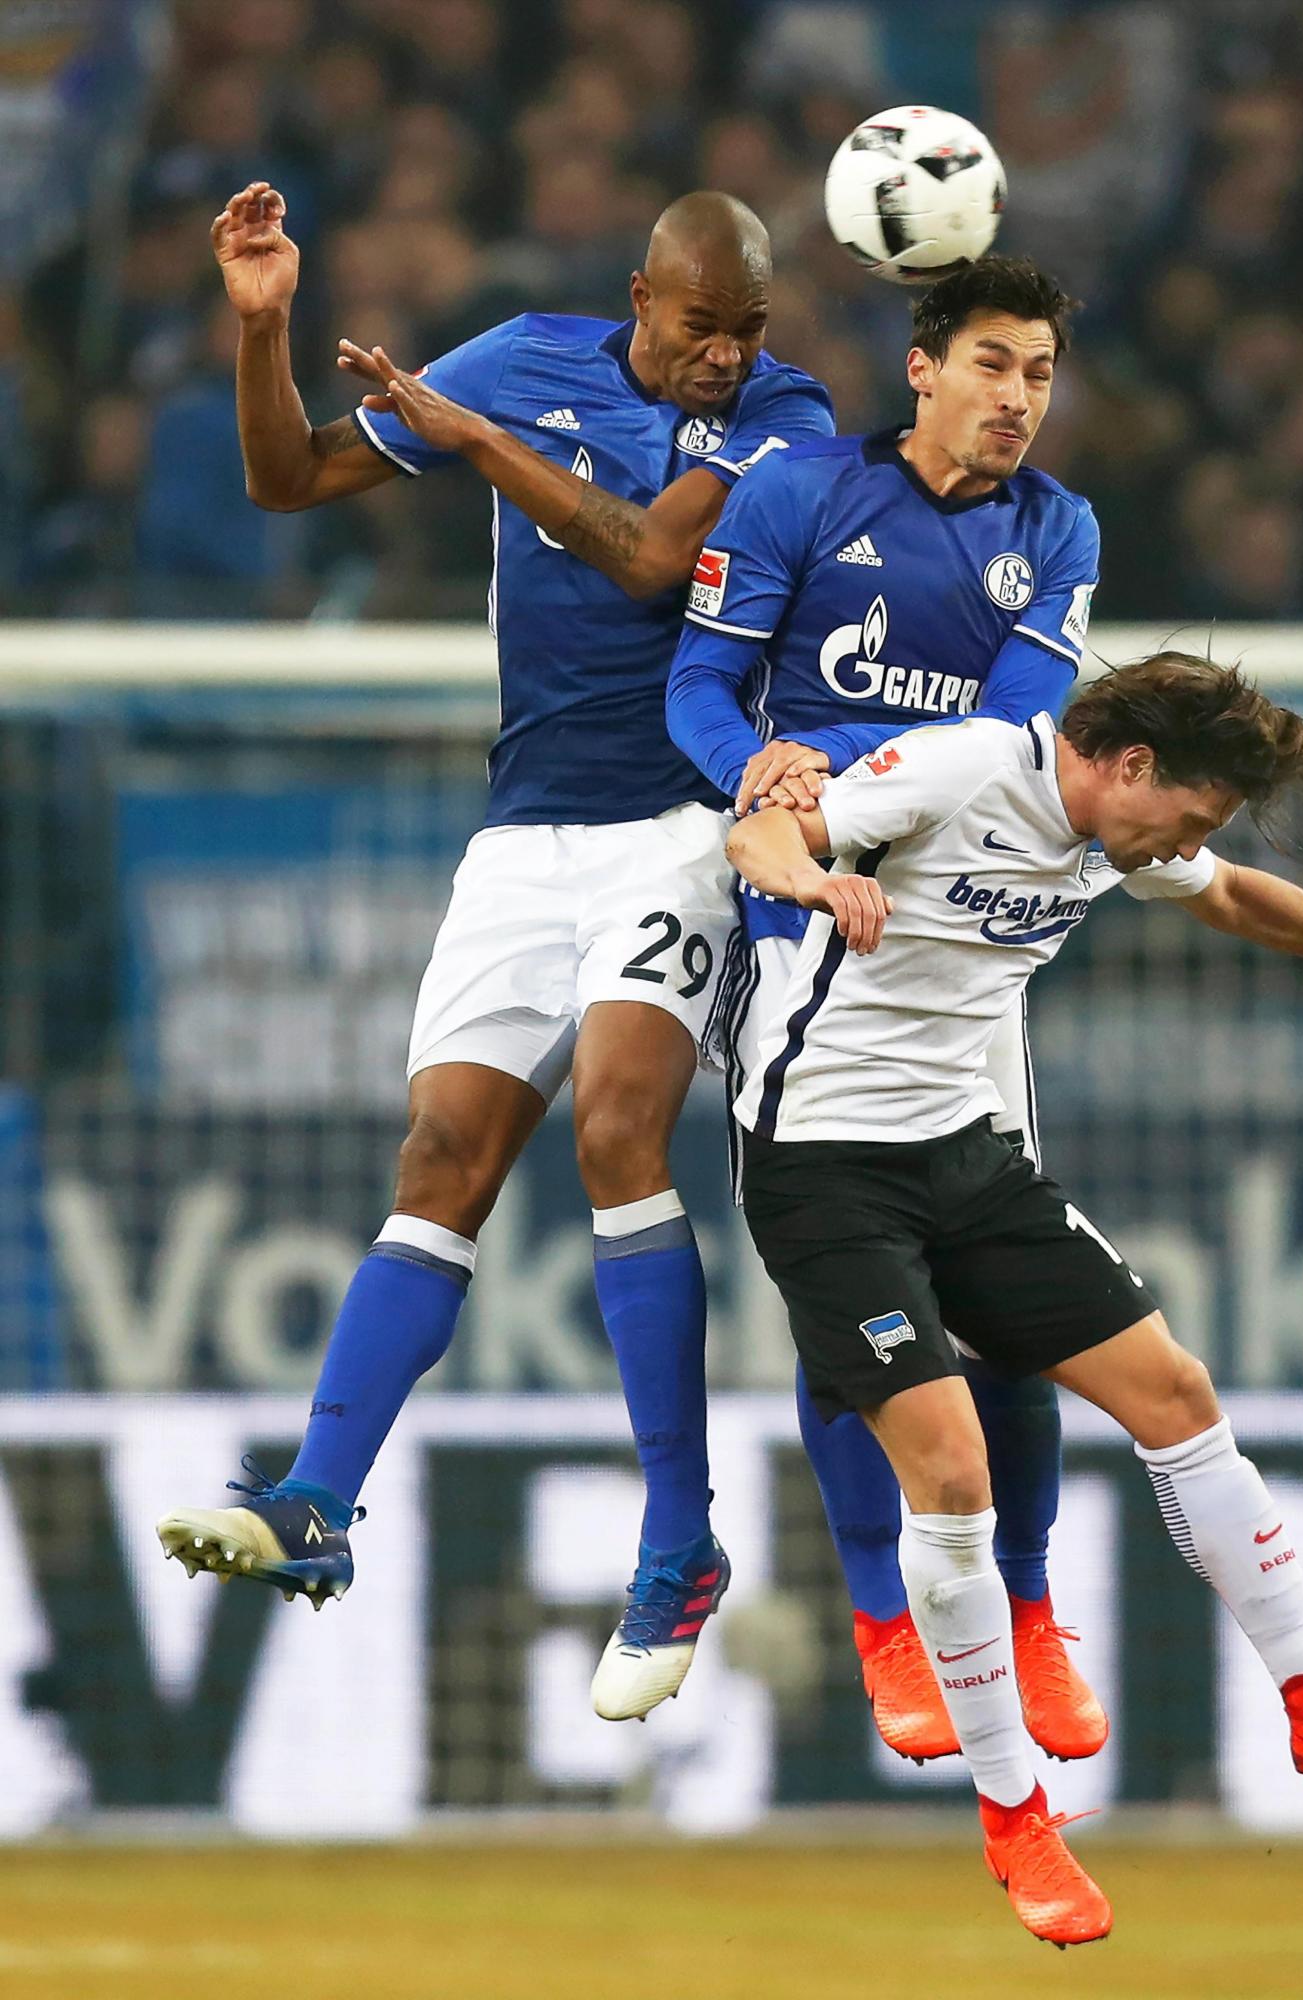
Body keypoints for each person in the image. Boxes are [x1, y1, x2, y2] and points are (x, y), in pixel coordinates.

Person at [724, 655, 1303, 1946]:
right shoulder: (963, 766)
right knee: (948, 1469)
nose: (1187, 843)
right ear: (1128, 767)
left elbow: (1234, 902)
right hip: (823, 1165)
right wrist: (819, 878)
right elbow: (761, 826)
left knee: (1175, 1392)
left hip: (964, 1150)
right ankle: (1014, 1818)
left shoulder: (1112, 835)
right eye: (1190, 814)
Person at [156, 181, 835, 1727]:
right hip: (525, 831)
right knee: (441, 1155)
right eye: (697, 325)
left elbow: (650, 561)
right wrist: (260, 330)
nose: (723, 353)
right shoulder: (527, 354)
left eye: (744, 330)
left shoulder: (786, 423)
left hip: (683, 817)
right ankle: (319, 1497)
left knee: (615, 1123)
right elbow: (289, 480)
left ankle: (677, 1540)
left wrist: (464, 440)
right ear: (638, 298)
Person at [666, 257, 1107, 1767]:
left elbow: (1011, 736)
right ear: (921, 369)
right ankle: (878, 1624)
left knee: (1004, 1314)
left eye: (1039, 374)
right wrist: (761, 774)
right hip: (807, 914)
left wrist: (821, 753)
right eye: (991, 364)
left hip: (965, 941)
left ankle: (1030, 1612)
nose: (1015, 398)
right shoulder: (796, 492)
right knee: (843, 1294)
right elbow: (701, 692)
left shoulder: (1058, 531)